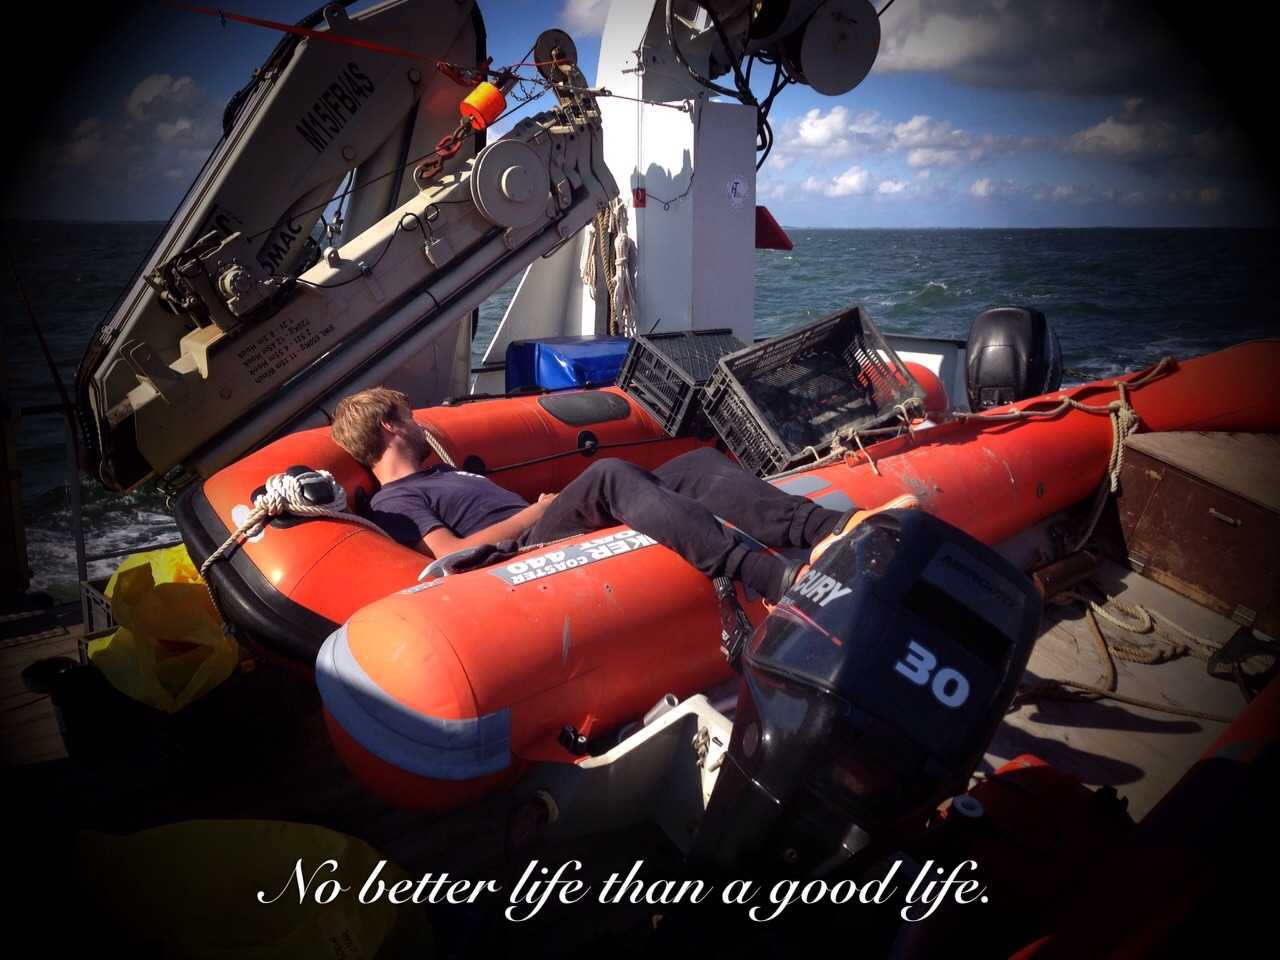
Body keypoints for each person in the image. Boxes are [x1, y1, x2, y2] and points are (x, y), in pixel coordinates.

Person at [330, 387, 916, 603]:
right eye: (410, 414)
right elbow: (449, 557)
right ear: (390, 427)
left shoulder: (439, 473)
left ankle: (829, 528)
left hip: (542, 524)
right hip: (518, 558)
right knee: (610, 473)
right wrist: (536, 511)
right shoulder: (393, 500)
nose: (420, 422)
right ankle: (769, 577)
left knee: (694, 463)